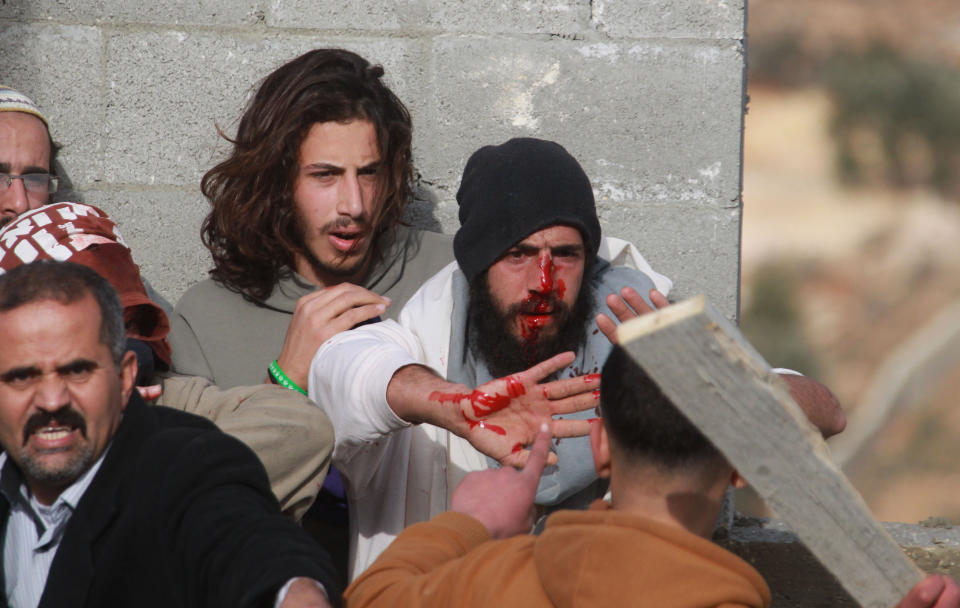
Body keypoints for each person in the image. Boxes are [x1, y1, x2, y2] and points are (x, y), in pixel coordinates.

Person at [310, 137, 846, 578]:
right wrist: (454, 405)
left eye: (564, 255)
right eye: (517, 254)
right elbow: (342, 371)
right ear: (477, 269)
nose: (543, 283)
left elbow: (824, 412)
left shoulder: (630, 324)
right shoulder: (425, 336)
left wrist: (698, 377)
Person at [343, 345, 959, 608]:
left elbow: (371, 599)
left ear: (602, 446)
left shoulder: (486, 581)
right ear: (740, 467)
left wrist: (467, 523)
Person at [0, 87, 333, 522]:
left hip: (140, 443)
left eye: (35, 177)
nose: (19, 201)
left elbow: (287, 429)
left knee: (298, 427)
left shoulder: (81, 247)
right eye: (0, 175)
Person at [0, 260, 339, 608]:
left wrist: (293, 591)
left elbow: (244, 539)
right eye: (21, 377)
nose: (52, 401)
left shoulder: (183, 466)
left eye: (77, 371)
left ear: (125, 377)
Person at [169, 48, 455, 390]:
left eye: (368, 173)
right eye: (325, 175)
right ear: (277, 182)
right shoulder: (205, 320)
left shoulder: (450, 275)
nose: (355, 205)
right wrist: (288, 377)